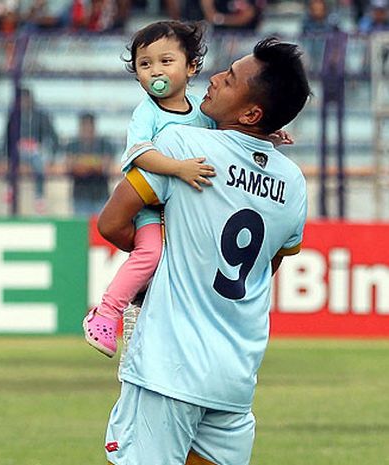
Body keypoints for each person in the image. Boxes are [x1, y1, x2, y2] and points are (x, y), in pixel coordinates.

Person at [98, 37, 310, 465]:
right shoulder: (293, 183)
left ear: (251, 113)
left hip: (168, 367)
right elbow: (265, 269)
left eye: (230, 80)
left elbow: (111, 223)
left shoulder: (181, 145)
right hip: (234, 375)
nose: (213, 79)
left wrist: (162, 265)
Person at [82, 21, 216, 358]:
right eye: (145, 64)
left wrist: (266, 135)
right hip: (150, 206)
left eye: (165, 61)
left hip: (185, 206)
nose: (154, 70)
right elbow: (140, 153)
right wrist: (179, 168)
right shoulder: (147, 113)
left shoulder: (203, 110)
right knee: (150, 254)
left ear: (191, 67)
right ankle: (107, 312)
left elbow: (228, 136)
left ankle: (150, 320)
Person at [4, 87, 59, 214]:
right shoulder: (13, 116)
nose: (24, 102)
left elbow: (53, 137)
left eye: (26, 99)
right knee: (12, 159)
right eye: (21, 100)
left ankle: (39, 197)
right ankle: (10, 189)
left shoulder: (41, 116)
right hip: (19, 150)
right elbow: (6, 137)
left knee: (39, 163)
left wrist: (51, 156)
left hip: (35, 151)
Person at [63, 112, 117, 216]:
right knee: (81, 229)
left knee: (100, 229)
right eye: (84, 126)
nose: (87, 130)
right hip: (80, 196)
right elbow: (70, 167)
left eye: (89, 126)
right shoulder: (72, 145)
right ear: (80, 127)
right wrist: (93, 165)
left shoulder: (105, 144)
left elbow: (105, 168)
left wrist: (83, 164)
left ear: (94, 127)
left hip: (101, 195)